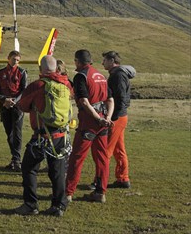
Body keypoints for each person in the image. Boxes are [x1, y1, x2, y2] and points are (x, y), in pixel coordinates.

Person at [13, 55, 73, 217]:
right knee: (58, 172)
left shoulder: (37, 86)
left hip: (42, 137)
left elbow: (23, 105)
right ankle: (59, 205)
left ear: (41, 69)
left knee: (28, 168)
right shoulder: (66, 85)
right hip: (61, 136)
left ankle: (30, 204)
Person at [65, 49, 114, 203]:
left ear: (78, 61)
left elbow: (84, 101)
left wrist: (96, 118)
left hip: (89, 123)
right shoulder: (101, 76)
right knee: (102, 158)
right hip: (102, 122)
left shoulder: (81, 76)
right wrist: (107, 118)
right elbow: (110, 100)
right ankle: (100, 192)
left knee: (77, 158)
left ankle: (68, 193)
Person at [102, 51, 136, 189]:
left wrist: (113, 117)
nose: (102, 63)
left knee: (106, 151)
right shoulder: (117, 74)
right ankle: (123, 178)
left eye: (104, 60)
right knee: (118, 149)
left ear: (111, 60)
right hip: (120, 116)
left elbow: (121, 97)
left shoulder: (118, 75)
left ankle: (99, 181)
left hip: (117, 117)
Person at [0, 50, 28, 171]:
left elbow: (24, 90)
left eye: (18, 60)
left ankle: (17, 160)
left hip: (17, 106)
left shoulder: (22, 72)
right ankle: (14, 158)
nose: (15, 62)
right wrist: (4, 100)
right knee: (9, 133)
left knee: (17, 133)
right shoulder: (0, 73)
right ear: (8, 58)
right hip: (4, 106)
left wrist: (14, 100)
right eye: (14, 59)